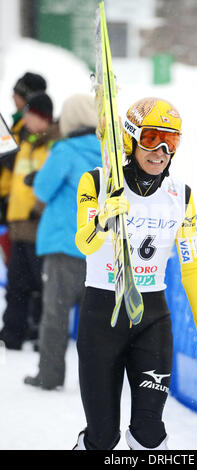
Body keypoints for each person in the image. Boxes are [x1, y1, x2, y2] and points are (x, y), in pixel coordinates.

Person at [73, 97, 197, 450]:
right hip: (102, 317)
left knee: (149, 434)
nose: (162, 151)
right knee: (102, 437)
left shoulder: (180, 196)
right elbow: (84, 242)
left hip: (151, 319)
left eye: (172, 141)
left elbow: (193, 263)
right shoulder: (96, 182)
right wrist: (105, 219)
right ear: (131, 139)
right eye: (152, 138)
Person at [24, 93, 101, 390]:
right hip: (97, 247)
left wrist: (37, 178)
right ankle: (99, 380)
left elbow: (43, 190)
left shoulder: (65, 150)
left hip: (64, 244)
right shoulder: (109, 152)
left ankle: (50, 375)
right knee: (96, 321)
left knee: (55, 315)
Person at [0, 92, 59, 350]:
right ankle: (12, 334)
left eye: (29, 115)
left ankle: (42, 336)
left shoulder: (54, 145)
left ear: (41, 117)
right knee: (16, 286)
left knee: (44, 288)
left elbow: (53, 182)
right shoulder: (25, 143)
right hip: (19, 226)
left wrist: (39, 208)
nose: (24, 119)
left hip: (40, 228)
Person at [0, 72, 47, 263]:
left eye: (17, 93)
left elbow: (25, 167)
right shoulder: (18, 126)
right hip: (12, 208)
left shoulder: (32, 130)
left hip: (24, 212)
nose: (13, 97)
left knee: (22, 278)